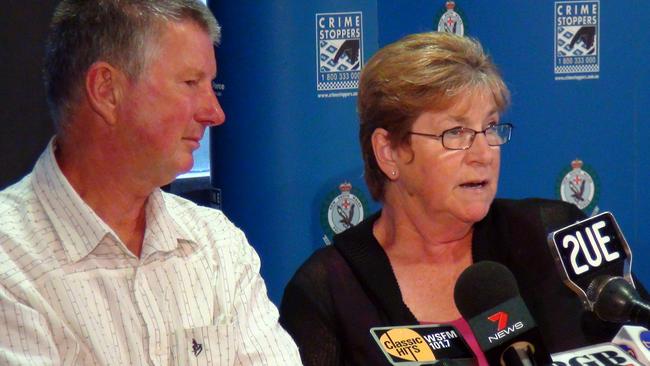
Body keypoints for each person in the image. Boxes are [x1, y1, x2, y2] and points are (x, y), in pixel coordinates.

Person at [279, 32, 647, 365]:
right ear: (389, 151)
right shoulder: (327, 291)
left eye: (489, 128)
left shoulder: (555, 235)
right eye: (455, 133)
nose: (483, 153)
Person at [0, 1, 301, 364]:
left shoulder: (217, 246)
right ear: (106, 90)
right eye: (191, 83)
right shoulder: (10, 262)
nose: (215, 113)